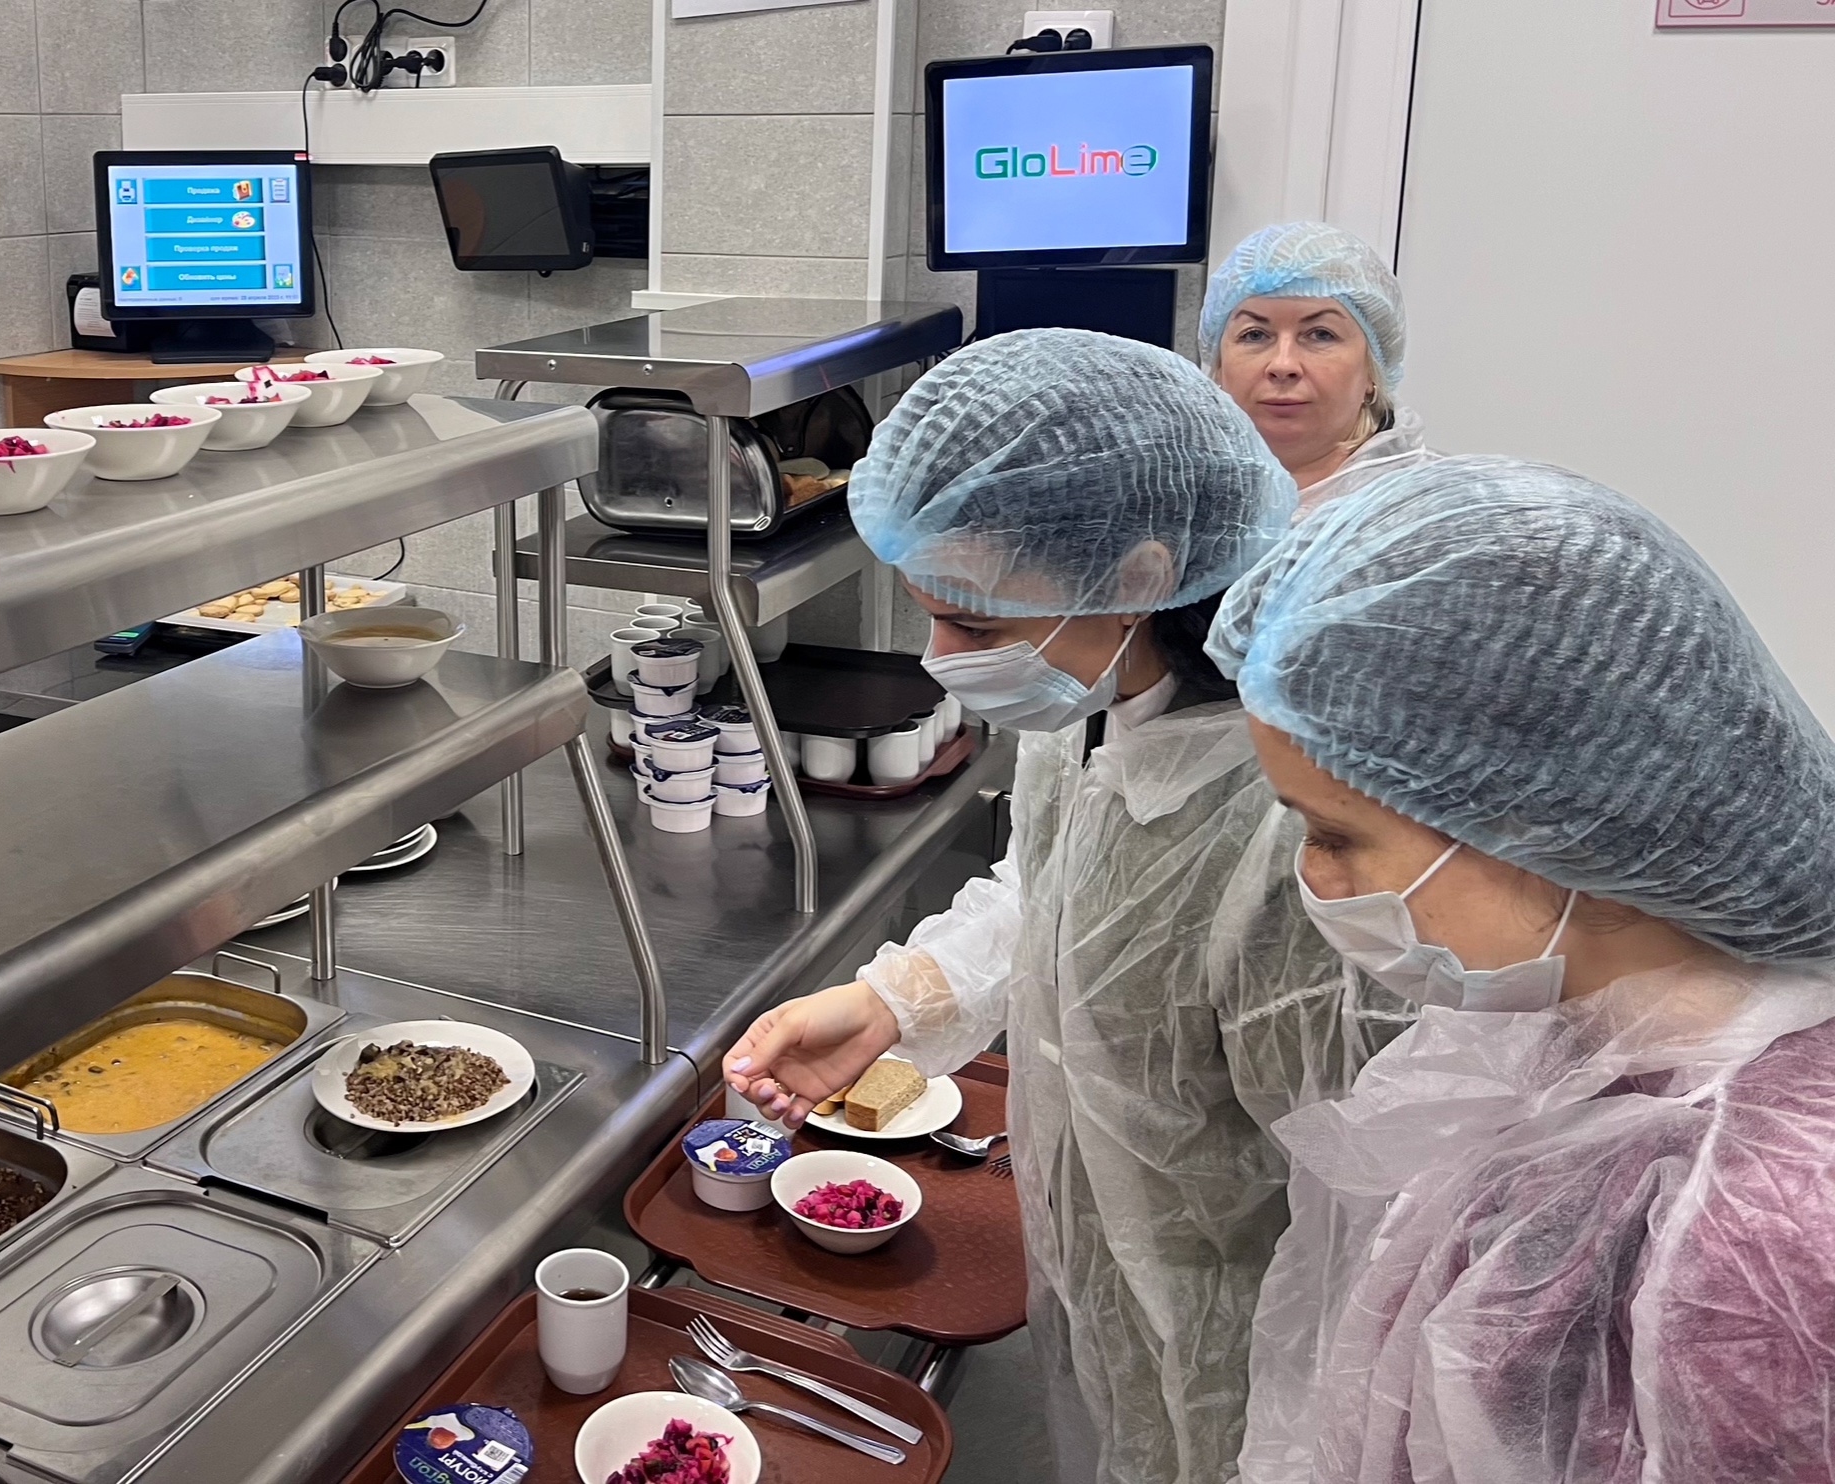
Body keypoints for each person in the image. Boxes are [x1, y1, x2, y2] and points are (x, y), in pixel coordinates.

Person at [724, 330, 1410, 1484]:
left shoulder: (1284, 819)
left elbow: (1357, 1204)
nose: (939, 658)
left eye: (975, 624)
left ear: (1138, 575)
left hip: (1242, 1358)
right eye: (930, 613)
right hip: (1099, 1284)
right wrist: (894, 1000)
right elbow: (1064, 893)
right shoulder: (1097, 695)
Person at [1208, 456, 1835, 1483]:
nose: (1312, 877)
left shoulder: (1764, 1230)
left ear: (1555, 826)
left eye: (1334, 834)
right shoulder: (1576, 1036)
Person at [1201, 223, 1433, 513]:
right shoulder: (1168, 499)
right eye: (1255, 335)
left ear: (1372, 371)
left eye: (1321, 334)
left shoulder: (1434, 512)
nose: (1283, 365)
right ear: (1218, 367)